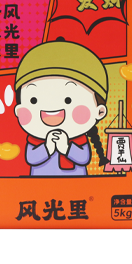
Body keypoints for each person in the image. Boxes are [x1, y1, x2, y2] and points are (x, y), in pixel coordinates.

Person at [14, 37, 109, 176]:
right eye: (34, 100)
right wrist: (47, 147)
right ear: (18, 111)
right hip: (38, 184)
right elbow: (31, 158)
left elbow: (84, 158)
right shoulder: (34, 141)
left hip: (77, 185)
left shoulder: (79, 140)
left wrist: (66, 148)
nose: (51, 109)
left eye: (68, 100)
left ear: (99, 111)